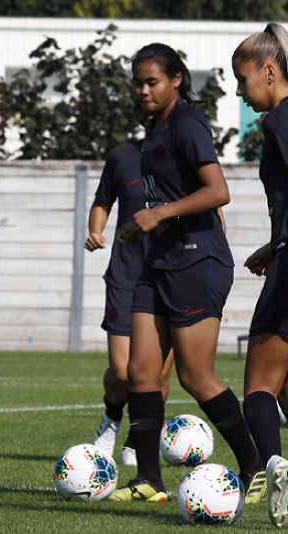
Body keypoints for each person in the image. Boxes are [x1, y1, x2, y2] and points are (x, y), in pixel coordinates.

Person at [108, 43, 264, 503]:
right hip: (158, 261)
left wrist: (158, 216)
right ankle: (149, 480)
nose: (143, 90)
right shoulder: (154, 126)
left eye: (151, 81)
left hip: (198, 261)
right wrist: (148, 226)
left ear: (176, 79)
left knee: (195, 377)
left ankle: (254, 465)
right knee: (140, 370)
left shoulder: (188, 123)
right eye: (138, 82)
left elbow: (218, 191)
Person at [85, 103, 173, 467]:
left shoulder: (182, 158)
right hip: (126, 273)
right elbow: (102, 202)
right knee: (123, 370)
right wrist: (95, 230)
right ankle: (112, 414)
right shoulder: (122, 158)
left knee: (158, 372)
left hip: (171, 272)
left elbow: (210, 204)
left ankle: (140, 439)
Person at [232, 22, 288, 527]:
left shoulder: (281, 121)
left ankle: (273, 466)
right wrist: (273, 247)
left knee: (259, 389)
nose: (239, 92)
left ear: (270, 72)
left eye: (243, 80)